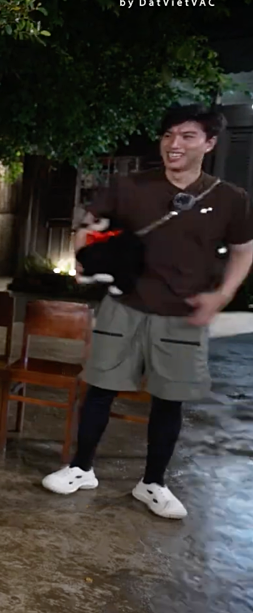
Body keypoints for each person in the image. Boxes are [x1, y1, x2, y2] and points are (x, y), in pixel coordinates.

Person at [42, 104, 253, 519]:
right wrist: (85, 249)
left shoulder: (230, 198)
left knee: (170, 400)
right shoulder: (130, 186)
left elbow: (244, 251)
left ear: (209, 143)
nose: (175, 144)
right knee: (99, 389)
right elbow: (87, 224)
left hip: (182, 312)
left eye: (188, 136)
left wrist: (222, 295)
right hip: (124, 304)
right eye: (168, 135)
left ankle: (153, 483)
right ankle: (81, 468)